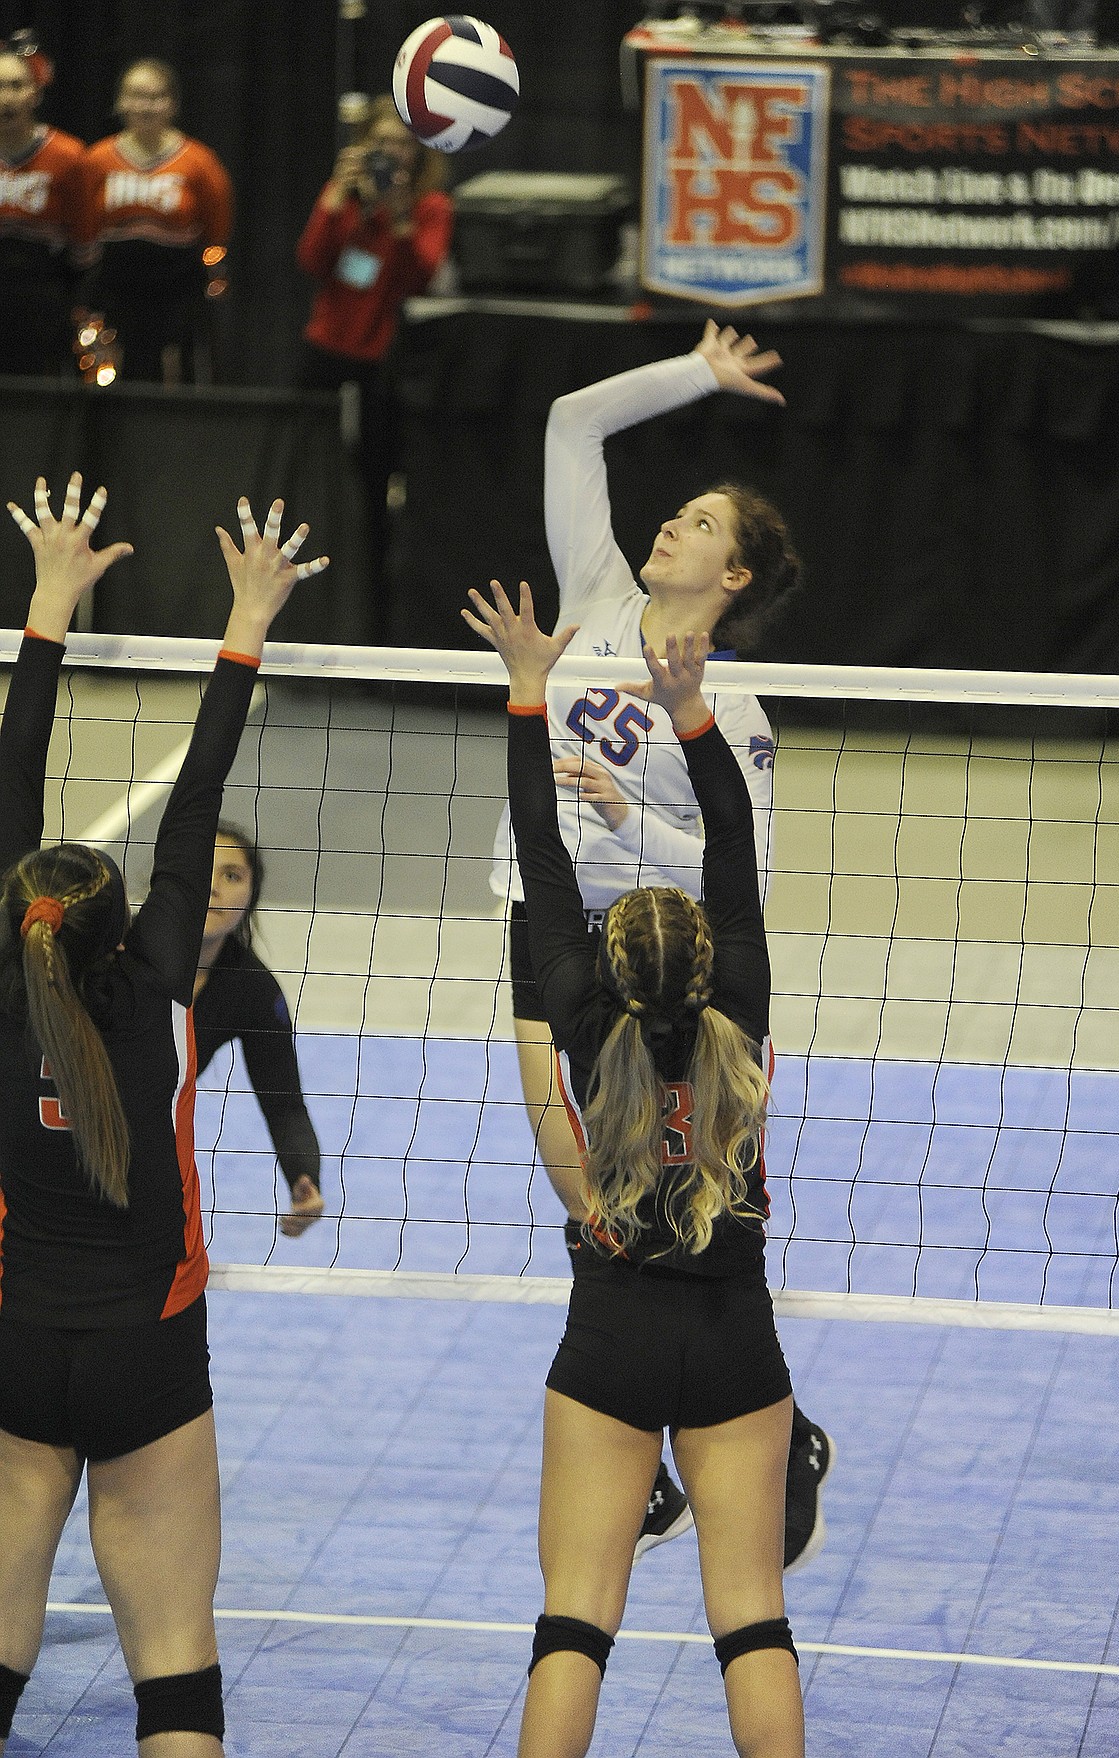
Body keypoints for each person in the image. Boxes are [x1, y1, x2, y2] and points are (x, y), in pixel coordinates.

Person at [490, 320, 834, 1566]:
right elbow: (572, 422)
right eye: (677, 511)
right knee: (573, 1185)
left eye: (699, 524)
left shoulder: (730, 706)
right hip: (544, 923)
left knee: (694, 1196)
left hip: (665, 974)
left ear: (733, 576)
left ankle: (770, 1422)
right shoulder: (592, 602)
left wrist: (633, 821)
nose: (671, 528)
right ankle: (641, 1429)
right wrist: (697, 374)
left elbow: (744, 880)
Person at [0, 474, 325, 1757]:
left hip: (20, 1346)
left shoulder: (8, 998)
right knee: (176, 1675)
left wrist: (47, 602)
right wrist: (248, 617)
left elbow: (11, 779)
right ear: (129, 916)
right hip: (150, 1354)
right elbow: (201, 797)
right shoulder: (167, 1004)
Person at [464, 580, 804, 1758]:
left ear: (607, 966)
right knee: (753, 1621)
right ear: (714, 966)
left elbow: (544, 861)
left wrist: (526, 690)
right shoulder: (743, 1004)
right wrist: (692, 711)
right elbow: (737, 844)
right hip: (735, 1338)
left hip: (609, 1334)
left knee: (575, 1625)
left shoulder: (574, 1008)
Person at [296, 96, 453, 605]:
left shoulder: (431, 206)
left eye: (404, 145)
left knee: (373, 476)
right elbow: (312, 259)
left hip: (384, 355)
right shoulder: (345, 193)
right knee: (309, 464)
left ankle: (369, 591)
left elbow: (420, 278)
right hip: (328, 344)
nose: (393, 155)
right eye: (383, 143)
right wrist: (337, 199)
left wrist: (401, 216)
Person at [194, 822, 324, 1238]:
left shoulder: (252, 990)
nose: (213, 887)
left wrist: (303, 1176)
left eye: (231, 876)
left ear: (250, 897)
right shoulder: (117, 951)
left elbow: (284, 1104)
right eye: (201, 868)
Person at [78, 58, 233, 383]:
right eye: (136, 95)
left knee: (175, 376)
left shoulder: (199, 161)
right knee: (113, 376)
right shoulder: (97, 159)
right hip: (116, 288)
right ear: (121, 101)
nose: (146, 106)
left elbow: (217, 226)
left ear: (173, 103)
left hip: (177, 289)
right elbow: (83, 224)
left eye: (156, 97)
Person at [0, 38, 85, 376]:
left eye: (15, 86)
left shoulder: (69, 157)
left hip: (42, 299)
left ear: (35, 93)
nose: (5, 97)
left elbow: (83, 243)